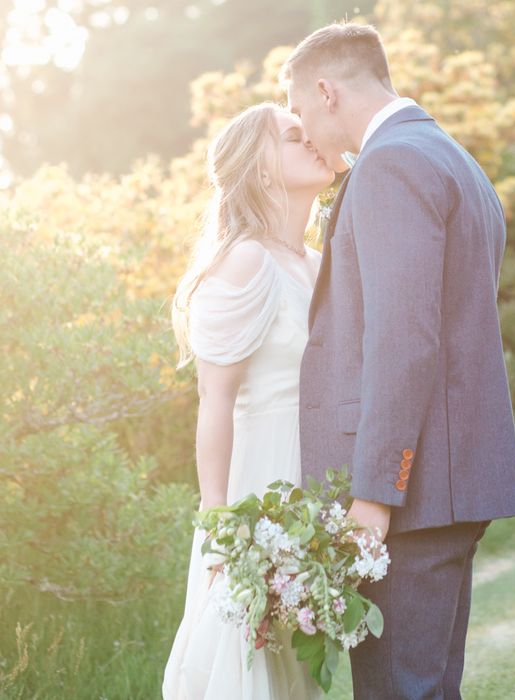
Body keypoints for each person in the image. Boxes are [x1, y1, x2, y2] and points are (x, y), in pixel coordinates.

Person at [281, 23, 515, 699]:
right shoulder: (453, 158)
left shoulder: (391, 163)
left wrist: (374, 495)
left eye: (301, 110)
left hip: (412, 496)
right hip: (451, 483)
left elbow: (405, 339)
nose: (303, 128)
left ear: (327, 91)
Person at [161, 102, 333, 700]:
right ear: (260, 170)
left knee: (295, 664)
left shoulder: (315, 263)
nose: (312, 139)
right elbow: (215, 401)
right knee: (247, 654)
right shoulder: (245, 260)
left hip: (312, 489)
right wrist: (220, 528)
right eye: (293, 136)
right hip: (257, 487)